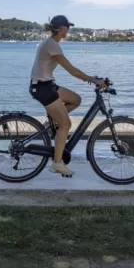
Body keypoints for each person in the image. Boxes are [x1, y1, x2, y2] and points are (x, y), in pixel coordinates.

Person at [30, 15, 106, 177]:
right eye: (68, 28)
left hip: (47, 85)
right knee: (66, 125)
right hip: (42, 88)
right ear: (62, 29)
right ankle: (57, 163)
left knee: (76, 100)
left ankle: (52, 122)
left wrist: (92, 78)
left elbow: (73, 71)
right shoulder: (52, 45)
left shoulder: (51, 43)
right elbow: (72, 71)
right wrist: (94, 80)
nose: (68, 31)